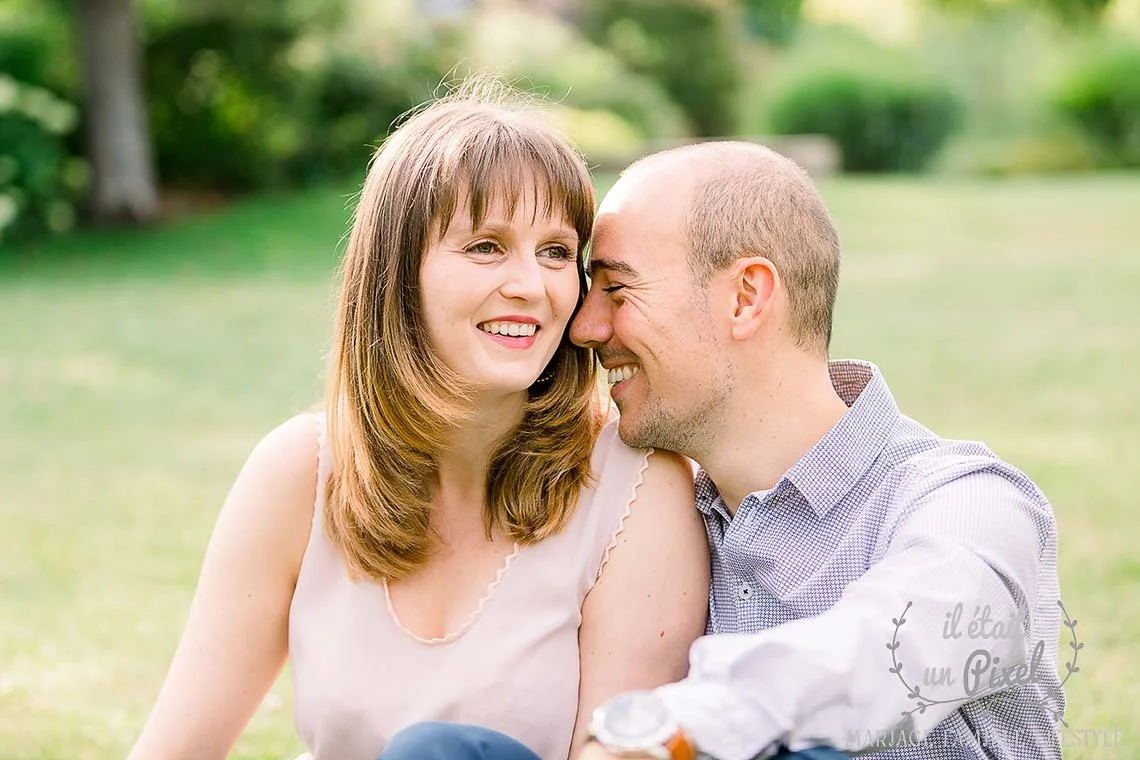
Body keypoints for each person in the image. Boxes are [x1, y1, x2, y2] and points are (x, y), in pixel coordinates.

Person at [124, 80, 709, 760]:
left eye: (555, 251)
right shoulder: (299, 472)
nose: (531, 284)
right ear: (399, 274)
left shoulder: (635, 487)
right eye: (487, 246)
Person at [562, 142, 1063, 760]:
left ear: (746, 298)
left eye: (616, 289)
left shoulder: (968, 503)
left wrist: (667, 726)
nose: (583, 327)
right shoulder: (655, 517)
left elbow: (900, 648)